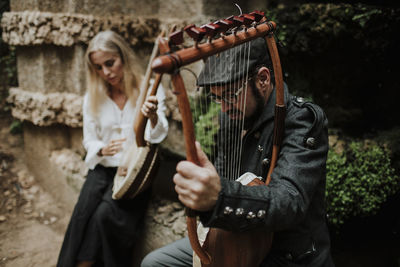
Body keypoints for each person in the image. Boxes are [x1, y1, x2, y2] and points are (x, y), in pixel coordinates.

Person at [141, 37, 334, 267]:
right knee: (155, 263)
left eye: (230, 95)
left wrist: (219, 196)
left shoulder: (302, 119)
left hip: (284, 251)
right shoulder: (232, 115)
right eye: (216, 97)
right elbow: (222, 173)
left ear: (263, 78)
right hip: (236, 234)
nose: (223, 107)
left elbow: (288, 203)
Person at [57, 30, 169, 267]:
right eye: (98, 67)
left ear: (124, 57)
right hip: (103, 168)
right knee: (82, 216)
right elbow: (88, 140)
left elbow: (157, 136)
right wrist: (101, 149)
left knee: (104, 216)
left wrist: (152, 118)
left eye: (110, 63)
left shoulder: (149, 88)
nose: (106, 72)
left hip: (134, 174)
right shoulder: (93, 96)